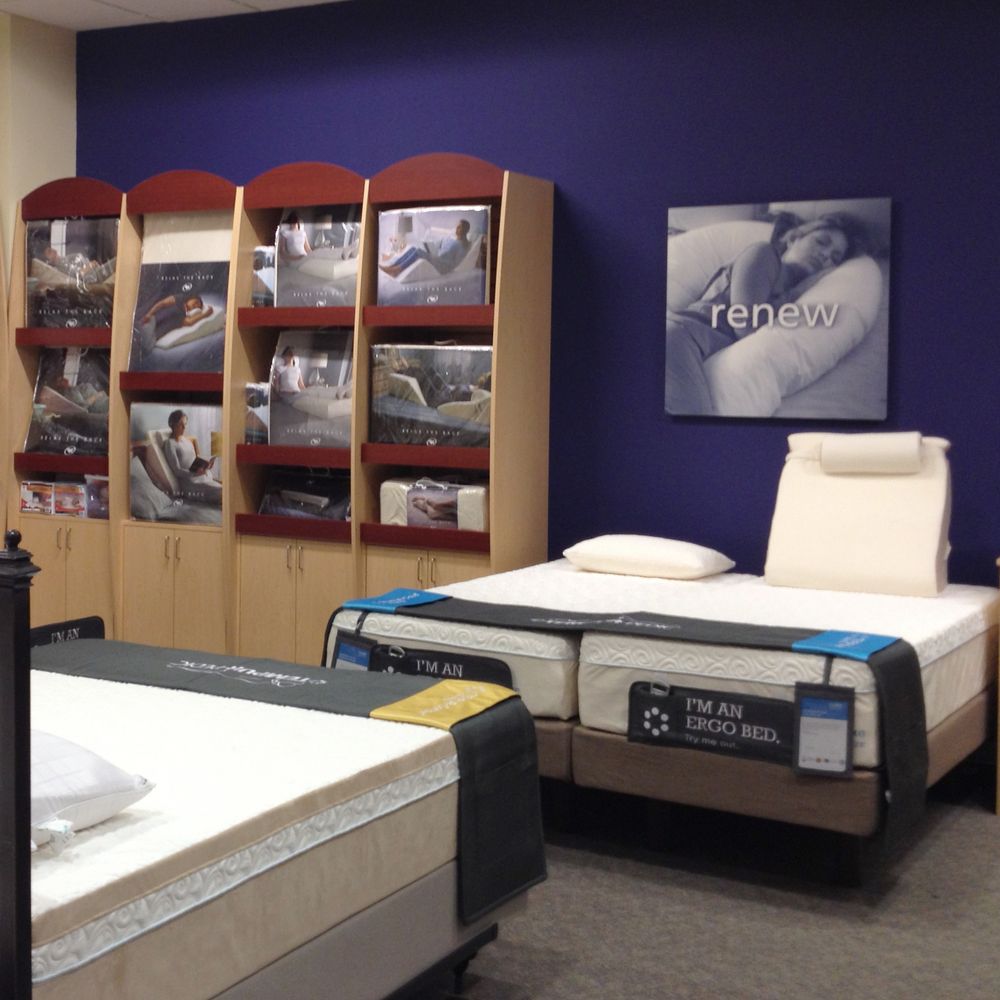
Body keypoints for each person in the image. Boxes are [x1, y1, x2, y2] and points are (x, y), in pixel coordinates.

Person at [665, 213, 867, 415]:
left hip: (688, 348)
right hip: (680, 338)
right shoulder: (764, 255)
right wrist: (798, 291)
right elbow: (746, 325)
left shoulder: (790, 293)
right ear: (793, 237)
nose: (825, 255)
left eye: (834, 257)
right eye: (821, 242)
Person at [162, 409, 221, 504]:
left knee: (224, 490)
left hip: (201, 477)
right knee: (222, 492)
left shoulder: (187, 441)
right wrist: (195, 473)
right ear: (173, 424)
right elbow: (177, 470)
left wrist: (206, 466)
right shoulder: (170, 444)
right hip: (189, 483)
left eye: (185, 424)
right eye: (181, 424)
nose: (184, 427)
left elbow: (195, 461)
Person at [379, 219, 472, 278]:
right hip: (437, 258)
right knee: (413, 248)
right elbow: (437, 245)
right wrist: (429, 246)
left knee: (418, 252)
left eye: (459, 227)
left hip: (444, 266)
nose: (456, 229)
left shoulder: (462, 246)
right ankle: (392, 266)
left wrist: (448, 267)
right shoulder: (450, 238)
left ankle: (397, 269)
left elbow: (457, 263)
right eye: (457, 226)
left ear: (465, 230)